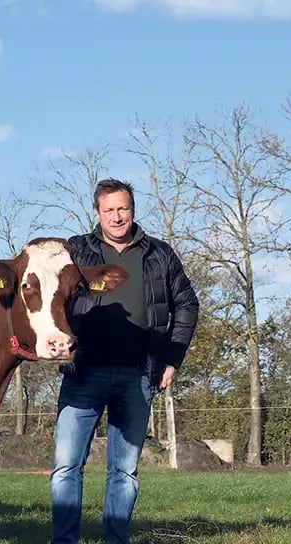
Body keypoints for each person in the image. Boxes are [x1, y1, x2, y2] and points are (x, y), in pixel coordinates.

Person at [51, 177, 199, 544]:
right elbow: (32, 272)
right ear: (97, 212)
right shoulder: (75, 251)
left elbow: (186, 304)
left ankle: (115, 540)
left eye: (124, 208)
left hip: (138, 376)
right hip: (82, 374)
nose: (117, 217)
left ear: (133, 209)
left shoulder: (160, 254)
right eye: (109, 210)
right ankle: (63, 541)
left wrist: (172, 359)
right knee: (67, 466)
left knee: (125, 471)